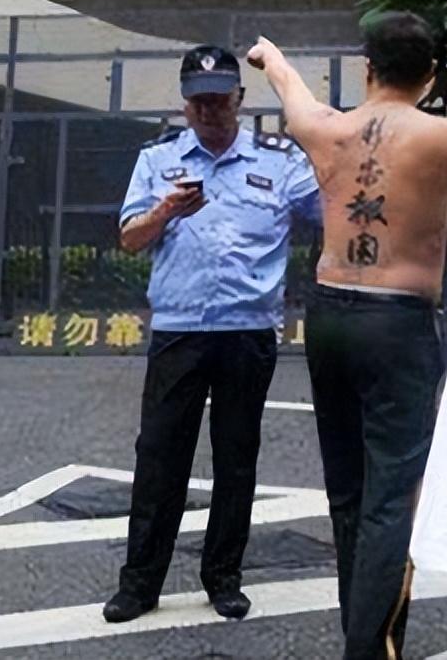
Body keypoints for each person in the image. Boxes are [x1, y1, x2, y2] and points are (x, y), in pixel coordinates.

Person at [246, 12, 447, 659]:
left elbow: (290, 90)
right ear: (429, 76)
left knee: (347, 489)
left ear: (367, 68)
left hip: (330, 316)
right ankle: (366, 650)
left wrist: (272, 57)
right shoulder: (445, 136)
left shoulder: (325, 128)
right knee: (393, 496)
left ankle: (364, 636)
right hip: (396, 324)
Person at [103, 44, 321, 623]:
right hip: (179, 331)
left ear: (240, 100)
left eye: (219, 100)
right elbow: (129, 238)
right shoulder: (158, 160)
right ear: (184, 105)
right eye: (198, 101)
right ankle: (139, 583)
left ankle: (223, 577)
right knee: (158, 459)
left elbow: (334, 213)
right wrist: (165, 212)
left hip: (247, 333)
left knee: (236, 457)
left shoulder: (280, 162)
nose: (209, 111)